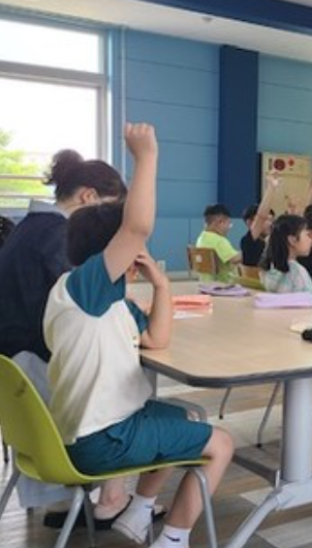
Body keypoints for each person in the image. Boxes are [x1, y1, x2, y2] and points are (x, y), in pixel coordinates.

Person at [44, 123, 234, 548]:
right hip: (101, 439)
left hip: (84, 432)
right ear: (112, 253)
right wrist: (146, 156)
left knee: (183, 418)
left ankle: (138, 512)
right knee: (221, 444)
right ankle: (174, 540)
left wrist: (162, 285)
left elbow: (157, 340)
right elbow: (136, 228)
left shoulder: (98, 299)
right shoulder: (88, 288)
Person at [0, 148, 135, 527]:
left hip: (16, 369)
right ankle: (112, 498)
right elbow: (84, 301)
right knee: (124, 382)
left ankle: (80, 500)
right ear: (88, 197)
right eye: (109, 211)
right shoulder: (57, 235)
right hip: (37, 366)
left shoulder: (28, 227)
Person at [259, 214, 312, 294]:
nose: (311, 241)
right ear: (292, 240)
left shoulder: (269, 267)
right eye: (307, 235)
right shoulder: (296, 271)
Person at [240, 173, 280, 268]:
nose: (270, 223)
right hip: (257, 277)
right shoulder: (248, 241)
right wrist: (271, 187)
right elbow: (261, 216)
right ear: (250, 222)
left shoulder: (270, 241)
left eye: (272, 220)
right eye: (267, 220)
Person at [195, 204, 240, 283]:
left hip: (205, 284)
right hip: (223, 284)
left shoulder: (201, 238)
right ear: (220, 222)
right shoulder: (219, 241)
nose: (229, 228)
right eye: (229, 224)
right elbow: (235, 259)